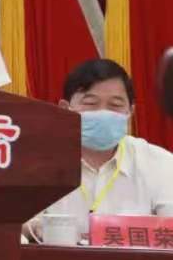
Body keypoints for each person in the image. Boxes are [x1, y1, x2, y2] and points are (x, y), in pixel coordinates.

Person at [25, 59, 173, 243]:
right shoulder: (35, 163)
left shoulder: (161, 164)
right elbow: (11, 226)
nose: (103, 112)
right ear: (65, 109)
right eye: (90, 103)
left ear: (130, 111)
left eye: (115, 105)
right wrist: (33, 228)